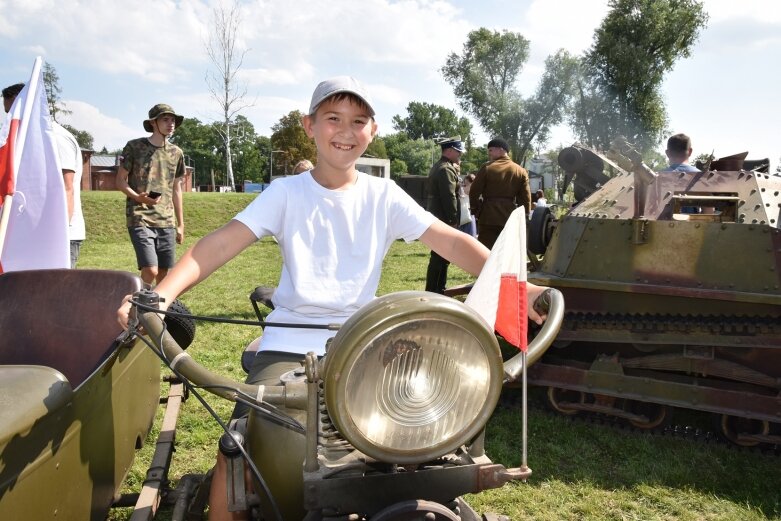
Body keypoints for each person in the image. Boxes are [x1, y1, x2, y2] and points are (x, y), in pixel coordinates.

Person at [117, 76, 548, 521]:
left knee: (421, 443)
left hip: (365, 346)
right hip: (289, 346)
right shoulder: (286, 193)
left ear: (373, 131)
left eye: (358, 121)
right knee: (240, 454)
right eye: (333, 118)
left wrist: (522, 288)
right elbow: (218, 245)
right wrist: (161, 294)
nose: (345, 131)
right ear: (310, 125)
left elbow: (452, 241)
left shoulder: (383, 195)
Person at [3, 82, 85, 268]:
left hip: (60, 236)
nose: (10, 119)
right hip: (36, 234)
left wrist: (58, 234)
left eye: (12, 112)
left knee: (56, 293)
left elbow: (67, 188)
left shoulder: (56, 138)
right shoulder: (32, 141)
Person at [115, 103, 186, 285]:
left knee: (164, 273)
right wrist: (138, 197)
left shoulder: (177, 153)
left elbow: (177, 189)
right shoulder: (134, 147)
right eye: (165, 119)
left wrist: (181, 224)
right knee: (150, 270)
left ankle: (157, 313)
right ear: (153, 123)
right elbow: (120, 180)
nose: (171, 124)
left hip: (166, 220)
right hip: (140, 217)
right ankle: (138, 307)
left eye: (173, 120)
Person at [469, 137, 531, 249]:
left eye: (491, 150)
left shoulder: (487, 167)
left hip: (488, 217)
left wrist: (476, 211)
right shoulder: (520, 171)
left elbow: (474, 192)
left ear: (501, 149)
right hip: (509, 218)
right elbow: (525, 198)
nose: (489, 154)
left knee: (486, 253)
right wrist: (524, 216)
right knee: (506, 253)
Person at [425, 136, 464, 294]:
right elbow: (449, 197)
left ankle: (435, 288)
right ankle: (437, 290)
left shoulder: (441, 166)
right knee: (442, 256)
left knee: (439, 256)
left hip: (438, 217)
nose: (460, 155)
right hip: (444, 219)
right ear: (449, 150)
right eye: (458, 151)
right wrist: (452, 220)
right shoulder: (446, 169)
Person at [459, 173, 477, 237]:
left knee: (471, 235)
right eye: (464, 185)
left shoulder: (475, 193)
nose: (463, 187)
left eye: (466, 185)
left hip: (469, 216)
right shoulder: (461, 192)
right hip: (463, 216)